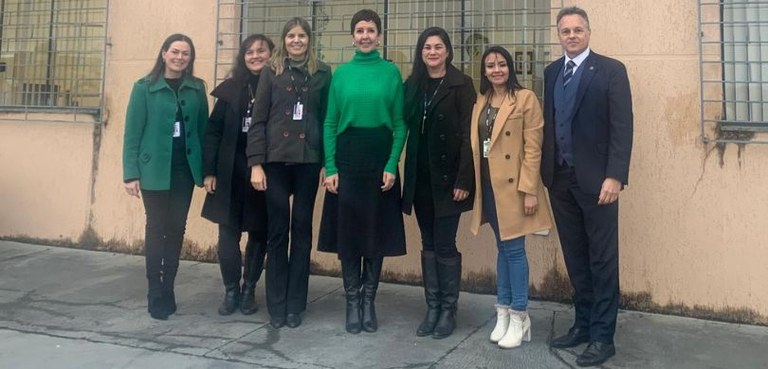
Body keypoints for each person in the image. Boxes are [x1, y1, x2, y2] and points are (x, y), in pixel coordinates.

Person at [541, 6, 633, 367]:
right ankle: (582, 324)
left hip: (599, 182)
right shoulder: (551, 73)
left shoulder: (611, 71)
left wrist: (615, 175)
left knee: (602, 259)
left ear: (589, 32)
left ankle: (602, 336)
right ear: (559, 35)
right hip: (560, 180)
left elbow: (622, 127)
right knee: (576, 258)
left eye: (578, 29)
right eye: (565, 30)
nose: (572, 35)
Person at [318, 8, 407, 334]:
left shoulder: (391, 73)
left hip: (380, 158)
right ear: (353, 36)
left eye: (371, 30)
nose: (366, 35)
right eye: (360, 30)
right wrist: (330, 166)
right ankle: (352, 302)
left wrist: (391, 164)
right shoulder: (340, 75)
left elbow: (399, 124)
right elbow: (329, 123)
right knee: (350, 234)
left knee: (375, 233)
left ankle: (369, 301)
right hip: (347, 159)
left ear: (379, 36)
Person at [246, 18, 331, 329]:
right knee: (278, 233)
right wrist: (256, 163)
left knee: (302, 231)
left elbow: (325, 118)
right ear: (284, 40)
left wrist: (326, 161)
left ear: (309, 39)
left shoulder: (322, 72)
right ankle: (277, 305)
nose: (297, 41)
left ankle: (296, 304)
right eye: (291, 36)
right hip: (276, 163)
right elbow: (259, 120)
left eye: (302, 36)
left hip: (308, 162)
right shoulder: (272, 71)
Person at [468, 45, 553, 349]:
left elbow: (534, 147)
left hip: (516, 188)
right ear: (484, 71)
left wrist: (530, 189)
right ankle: (502, 312)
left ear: (511, 68)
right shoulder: (481, 101)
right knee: (502, 250)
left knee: (515, 251)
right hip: (489, 187)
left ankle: (520, 315)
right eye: (490, 66)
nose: (496, 70)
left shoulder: (525, 98)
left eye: (502, 64)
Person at [122, 34, 209, 320]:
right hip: (153, 169)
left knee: (176, 228)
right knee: (156, 227)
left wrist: (207, 170)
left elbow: (203, 131)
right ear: (163, 54)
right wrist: (130, 174)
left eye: (186, 53)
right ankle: (154, 290)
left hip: (185, 169)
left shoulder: (197, 89)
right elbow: (132, 134)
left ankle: (169, 287)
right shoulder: (144, 88)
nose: (180, 57)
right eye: (175, 51)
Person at [401, 27, 476, 339]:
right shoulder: (413, 85)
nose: (432, 52)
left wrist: (464, 179)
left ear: (448, 51)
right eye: (427, 47)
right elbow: (400, 123)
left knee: (445, 244)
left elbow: (470, 138)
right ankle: (432, 306)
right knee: (428, 243)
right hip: (420, 180)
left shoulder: (462, 85)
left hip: (449, 181)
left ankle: (448, 309)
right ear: (421, 52)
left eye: (438, 47)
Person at [202, 34, 274, 316]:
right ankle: (231, 289)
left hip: (263, 173)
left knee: (259, 233)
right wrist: (209, 171)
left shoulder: (278, 86)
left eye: (261, 51)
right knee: (227, 234)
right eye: (249, 51)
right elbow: (213, 132)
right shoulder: (231, 89)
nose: (255, 56)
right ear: (242, 56)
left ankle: (249, 289)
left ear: (271, 54)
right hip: (229, 172)